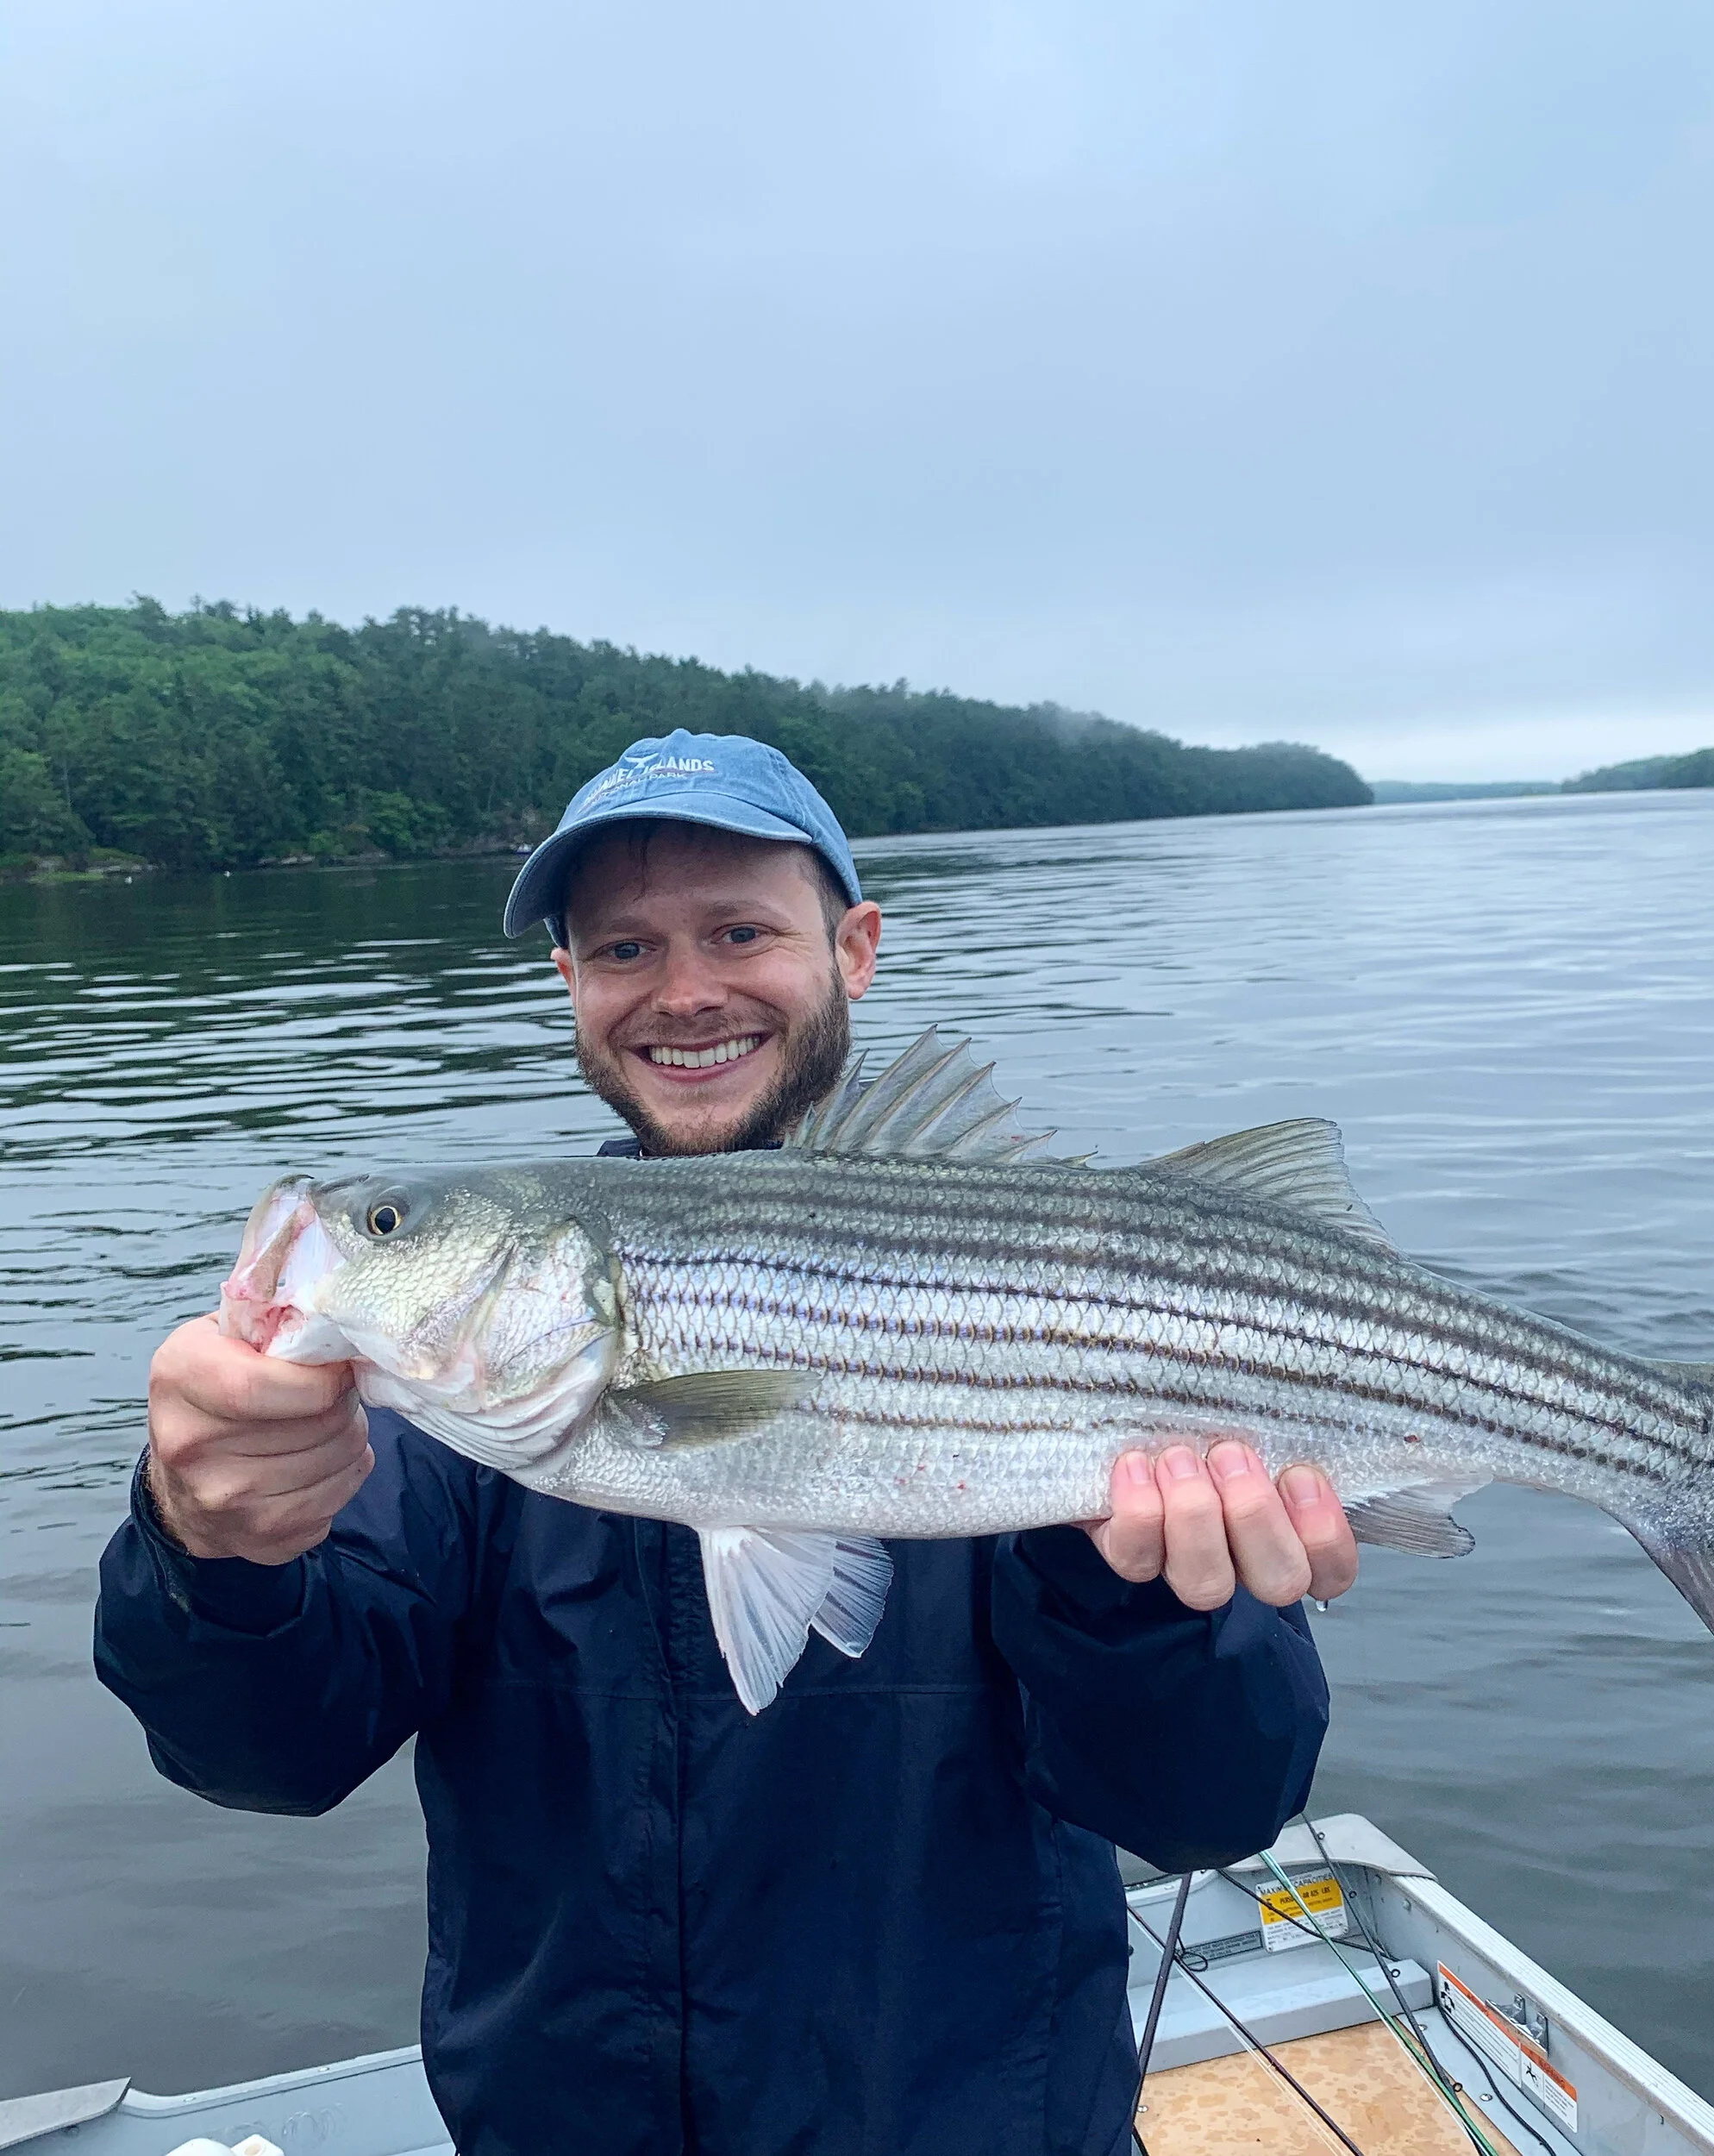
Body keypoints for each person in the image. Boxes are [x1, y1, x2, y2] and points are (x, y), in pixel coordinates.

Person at [96, 732, 1359, 2156]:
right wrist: (208, 1551)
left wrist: (1144, 1610)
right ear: (570, 983)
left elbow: (1211, 1809)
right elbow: (263, 1758)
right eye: (624, 946)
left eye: (740, 931)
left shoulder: (1072, 1312)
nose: (685, 991)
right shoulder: (441, 1426)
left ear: (855, 949)